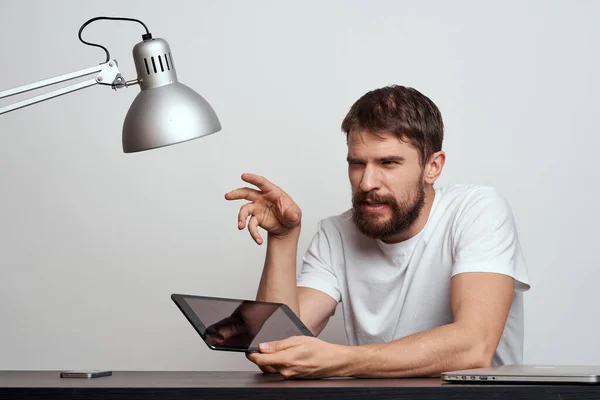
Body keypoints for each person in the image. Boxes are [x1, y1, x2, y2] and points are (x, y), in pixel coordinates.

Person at [224, 85, 530, 379]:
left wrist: (340, 360)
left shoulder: (476, 211)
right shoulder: (336, 234)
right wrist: (283, 239)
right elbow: (276, 347)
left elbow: (473, 346)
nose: (367, 182)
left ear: (433, 166)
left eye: (388, 163)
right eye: (357, 164)